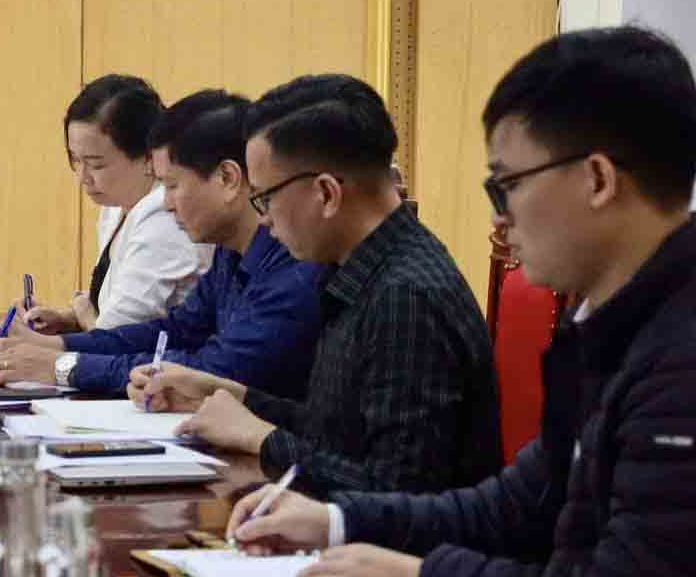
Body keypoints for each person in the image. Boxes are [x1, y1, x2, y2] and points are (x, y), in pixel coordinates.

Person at [225, 27, 696, 577]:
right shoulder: (602, 324)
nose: (498, 218)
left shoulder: (678, 359)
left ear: (598, 179)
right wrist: (338, 521)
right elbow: (513, 504)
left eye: (505, 185)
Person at [135, 74, 500, 496]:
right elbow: (338, 430)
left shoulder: (405, 297)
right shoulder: (360, 267)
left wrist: (262, 439)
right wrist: (233, 395)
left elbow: (395, 492)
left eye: (265, 199)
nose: (265, 220)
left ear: (326, 193)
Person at [0, 90, 326, 397]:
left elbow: (217, 370)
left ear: (227, 179)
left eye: (172, 185)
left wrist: (64, 367)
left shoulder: (294, 259)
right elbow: (176, 331)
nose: (166, 204)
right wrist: (59, 347)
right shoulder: (231, 249)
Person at [0, 75, 206, 360]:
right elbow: (109, 319)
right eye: (75, 160)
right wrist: (69, 319)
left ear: (147, 157)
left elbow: (115, 337)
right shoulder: (116, 207)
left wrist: (84, 315)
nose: (83, 177)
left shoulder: (165, 217)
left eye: (96, 164)